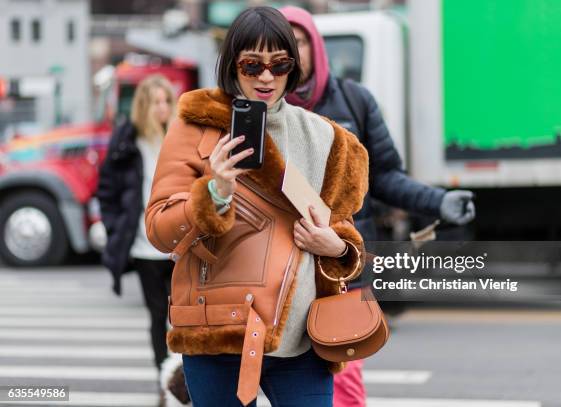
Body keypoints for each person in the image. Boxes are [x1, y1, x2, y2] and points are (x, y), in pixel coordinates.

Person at [144, 6, 368, 407]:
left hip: (303, 342)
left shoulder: (326, 139)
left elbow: (345, 229)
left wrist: (333, 246)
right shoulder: (198, 125)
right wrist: (216, 190)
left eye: (279, 64)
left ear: (293, 66)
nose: (266, 77)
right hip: (218, 335)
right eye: (252, 64)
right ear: (233, 64)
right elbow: (160, 229)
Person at [279, 6, 476, 407]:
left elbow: (384, 176)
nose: (292, 51)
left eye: (299, 40)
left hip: (345, 266)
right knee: (286, 385)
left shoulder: (355, 100)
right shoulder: (261, 111)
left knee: (348, 389)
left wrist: (438, 200)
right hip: (279, 269)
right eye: (283, 43)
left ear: (315, 45)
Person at [96, 74, 177, 402]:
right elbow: (107, 190)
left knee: (184, 318)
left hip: (179, 247)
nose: (162, 108)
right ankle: (163, 378)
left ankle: (182, 376)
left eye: (166, 101)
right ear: (143, 105)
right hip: (145, 247)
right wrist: (117, 229)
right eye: (155, 102)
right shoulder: (127, 141)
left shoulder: (180, 137)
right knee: (158, 317)